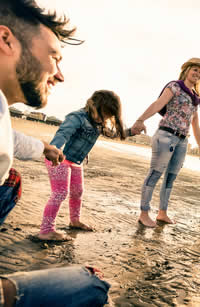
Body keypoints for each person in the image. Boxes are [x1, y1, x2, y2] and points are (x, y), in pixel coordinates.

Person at [0, 0, 110, 305]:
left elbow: (10, 137)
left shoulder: (1, 112)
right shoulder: (77, 117)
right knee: (93, 286)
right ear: (5, 40)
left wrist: (44, 148)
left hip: (63, 161)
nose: (59, 74)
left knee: (12, 181)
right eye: (54, 56)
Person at [38, 90, 138, 241]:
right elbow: (63, 133)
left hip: (76, 162)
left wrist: (131, 131)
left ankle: (75, 221)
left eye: (108, 116)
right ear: (93, 105)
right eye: (103, 114)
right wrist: (54, 150)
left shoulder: (99, 124)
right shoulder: (77, 117)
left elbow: (113, 134)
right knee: (60, 193)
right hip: (58, 157)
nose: (104, 118)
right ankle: (46, 230)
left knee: (77, 192)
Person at [132, 57, 200, 227]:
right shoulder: (174, 86)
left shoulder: (195, 98)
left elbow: (195, 124)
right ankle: (144, 213)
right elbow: (159, 104)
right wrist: (140, 119)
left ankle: (162, 213)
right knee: (155, 174)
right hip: (166, 135)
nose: (197, 73)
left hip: (182, 141)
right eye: (195, 69)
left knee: (171, 178)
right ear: (187, 70)